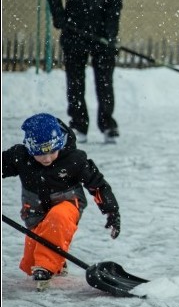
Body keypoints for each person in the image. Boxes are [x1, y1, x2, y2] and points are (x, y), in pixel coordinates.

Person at [2, 113, 121, 290]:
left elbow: (98, 185)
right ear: (29, 148)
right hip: (36, 212)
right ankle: (56, 263)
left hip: (68, 204)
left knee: (58, 218)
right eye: (40, 154)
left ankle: (47, 266)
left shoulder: (74, 159)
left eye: (52, 151)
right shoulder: (20, 157)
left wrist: (112, 212)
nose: (47, 158)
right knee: (30, 264)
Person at [46, 0, 125, 144]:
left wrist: (109, 33)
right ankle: (78, 125)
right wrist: (59, 15)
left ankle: (108, 125)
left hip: (101, 35)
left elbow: (115, 2)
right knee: (75, 82)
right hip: (74, 31)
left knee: (104, 82)